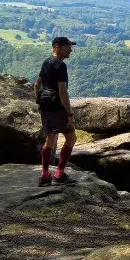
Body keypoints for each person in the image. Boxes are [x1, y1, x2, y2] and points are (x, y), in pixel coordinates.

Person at [34, 36, 78, 187]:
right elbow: (62, 92)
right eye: (68, 47)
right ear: (57, 47)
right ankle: (59, 174)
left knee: (50, 139)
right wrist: (70, 114)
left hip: (45, 104)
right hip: (57, 106)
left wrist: (40, 101)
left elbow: (37, 85)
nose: (71, 49)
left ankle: (45, 175)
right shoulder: (60, 66)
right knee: (71, 138)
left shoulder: (46, 62)